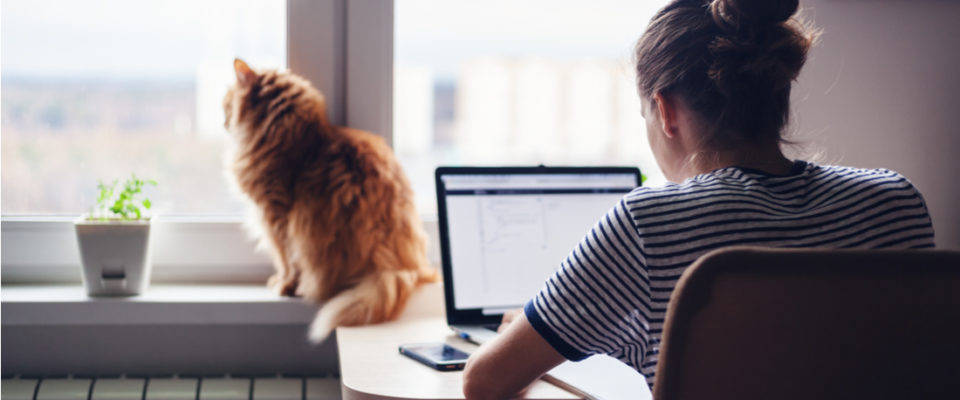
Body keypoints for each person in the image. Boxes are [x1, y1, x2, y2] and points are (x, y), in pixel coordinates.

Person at [462, 0, 936, 398]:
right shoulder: (896, 201)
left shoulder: (647, 224)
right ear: (778, 94)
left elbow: (483, 383)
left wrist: (523, 337)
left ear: (665, 111)